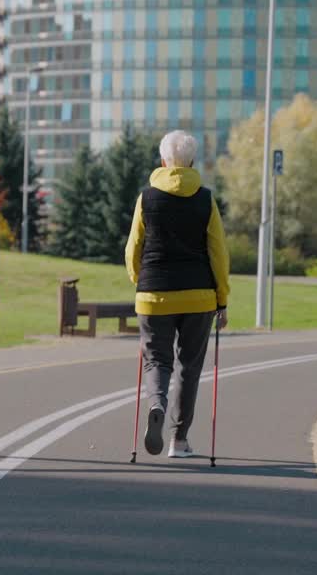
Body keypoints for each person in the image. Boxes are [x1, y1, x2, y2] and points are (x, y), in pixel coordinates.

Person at [125, 130, 231, 458]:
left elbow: (133, 249)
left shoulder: (147, 198)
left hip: (154, 293)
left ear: (163, 161)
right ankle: (179, 440)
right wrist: (222, 299)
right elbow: (218, 252)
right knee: (190, 366)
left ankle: (157, 402)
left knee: (157, 360)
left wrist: (140, 281)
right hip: (198, 295)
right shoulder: (205, 198)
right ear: (192, 162)